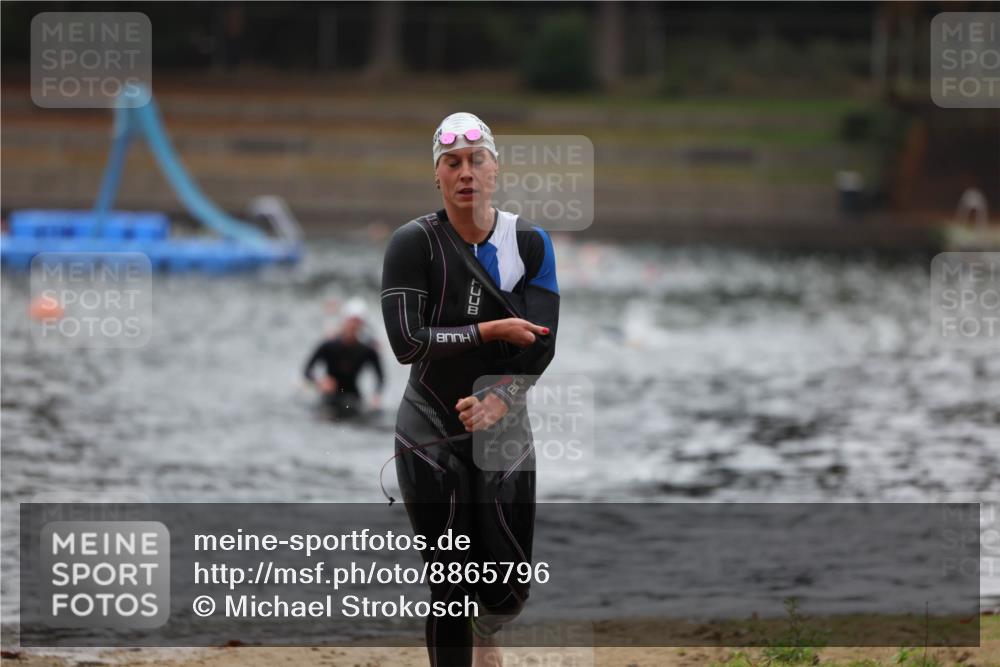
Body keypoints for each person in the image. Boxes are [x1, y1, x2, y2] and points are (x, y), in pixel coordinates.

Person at [380, 112, 560, 667]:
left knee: (507, 590)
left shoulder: (528, 243)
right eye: (452, 162)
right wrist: (490, 329)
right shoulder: (412, 243)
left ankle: (490, 633)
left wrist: (499, 400)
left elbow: (542, 346)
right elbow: (407, 343)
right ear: (436, 175)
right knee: (451, 586)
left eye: (476, 161)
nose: (466, 173)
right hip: (428, 425)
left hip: (503, 423)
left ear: (495, 170)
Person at [303, 298, 384, 419]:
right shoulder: (328, 345)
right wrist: (320, 383)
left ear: (362, 325)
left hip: (353, 397)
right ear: (344, 322)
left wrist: (376, 395)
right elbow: (307, 371)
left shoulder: (367, 350)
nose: (353, 326)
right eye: (351, 321)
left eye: (357, 322)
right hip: (329, 397)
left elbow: (380, 377)